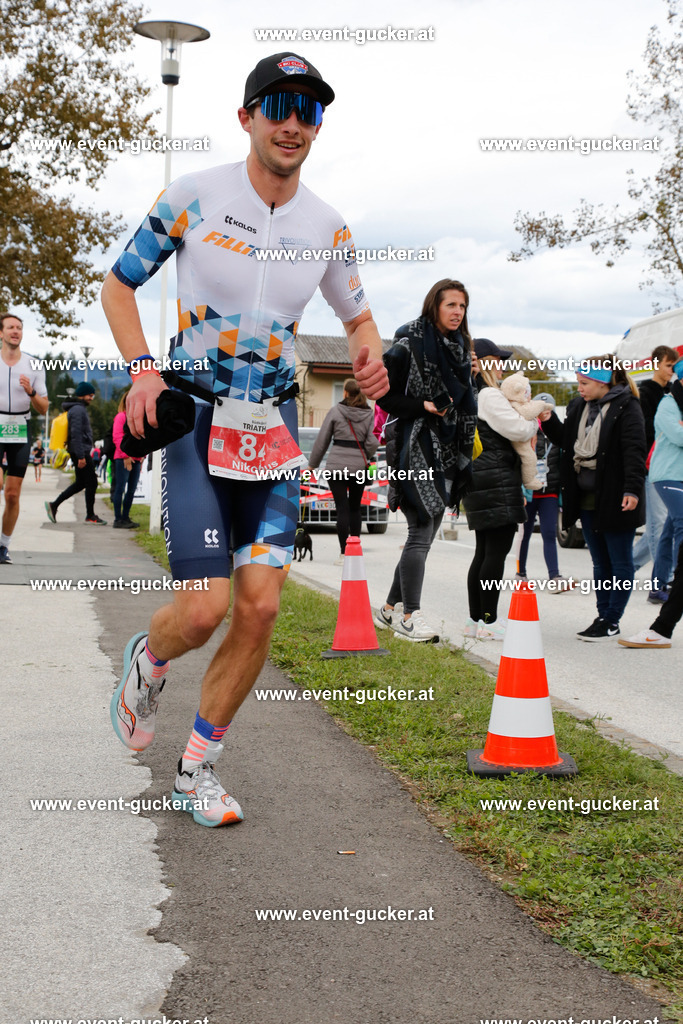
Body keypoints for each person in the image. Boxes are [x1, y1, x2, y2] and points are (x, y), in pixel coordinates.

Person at [101, 52, 388, 827]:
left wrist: (366, 349)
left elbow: (357, 315)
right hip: (195, 420)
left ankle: (198, 770)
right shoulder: (194, 196)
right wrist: (141, 370)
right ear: (247, 117)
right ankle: (149, 659)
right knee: (202, 612)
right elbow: (119, 283)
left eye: (310, 109)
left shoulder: (326, 225)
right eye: (279, 105)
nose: (294, 121)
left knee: (259, 610)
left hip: (270, 436)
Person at [374, 279, 477, 642]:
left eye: (462, 307)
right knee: (420, 531)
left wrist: (469, 377)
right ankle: (409, 617)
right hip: (413, 447)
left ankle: (388, 611)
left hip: (447, 449)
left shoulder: (461, 349)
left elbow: (465, 401)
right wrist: (423, 405)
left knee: (427, 533)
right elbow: (385, 400)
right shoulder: (407, 345)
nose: (457, 312)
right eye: (451, 305)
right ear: (434, 306)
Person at [542, 356, 646, 641]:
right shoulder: (578, 406)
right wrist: (549, 421)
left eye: (584, 383)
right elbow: (566, 441)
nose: (579, 388)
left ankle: (612, 619)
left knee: (620, 562)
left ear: (602, 382)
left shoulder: (627, 406)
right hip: (585, 495)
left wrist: (632, 490)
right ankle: (602, 616)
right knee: (600, 562)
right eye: (578, 382)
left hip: (615, 495)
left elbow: (635, 451)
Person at [462, 340, 538, 640]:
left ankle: (475, 620)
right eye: (497, 360)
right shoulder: (489, 394)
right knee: (496, 552)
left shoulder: (470, 391)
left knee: (484, 551)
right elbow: (518, 429)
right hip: (496, 477)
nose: (502, 365)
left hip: (482, 476)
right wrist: (533, 425)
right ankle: (490, 622)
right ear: (482, 362)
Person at [307, 378, 378, 564]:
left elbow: (322, 440)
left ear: (345, 393)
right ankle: (355, 552)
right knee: (355, 508)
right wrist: (364, 453)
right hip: (359, 468)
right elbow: (372, 442)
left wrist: (312, 465)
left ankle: (343, 554)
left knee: (342, 508)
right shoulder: (369, 415)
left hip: (336, 466)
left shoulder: (335, 411)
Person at [0, 313, 49, 563]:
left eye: (19, 328)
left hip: (20, 426)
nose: (15, 331)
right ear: (1, 333)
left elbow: (44, 408)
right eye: (10, 327)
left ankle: (3, 545)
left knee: (12, 494)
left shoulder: (34, 365)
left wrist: (30, 391)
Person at [632, 344, 679, 602]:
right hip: (653, 466)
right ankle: (665, 579)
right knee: (659, 525)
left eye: (674, 366)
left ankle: (626, 569)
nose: (671, 371)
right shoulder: (646, 392)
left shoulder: (671, 391)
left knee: (660, 527)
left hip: (669, 465)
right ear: (655, 364)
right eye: (668, 365)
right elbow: (645, 431)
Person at [515, 392, 574, 591]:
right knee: (525, 533)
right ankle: (520, 573)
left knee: (550, 532)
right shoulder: (527, 429)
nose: (544, 413)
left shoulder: (557, 431)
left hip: (549, 490)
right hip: (530, 490)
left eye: (548, 409)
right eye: (541, 409)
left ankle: (554, 576)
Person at [45, 381, 107, 525]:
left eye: (93, 395)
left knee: (80, 483)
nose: (92, 398)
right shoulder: (78, 410)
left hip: (79, 450)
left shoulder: (76, 409)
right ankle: (90, 515)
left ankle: (54, 505)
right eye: (90, 395)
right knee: (92, 482)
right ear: (82, 395)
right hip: (81, 451)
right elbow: (76, 434)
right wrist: (81, 456)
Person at [111, 389, 143, 529]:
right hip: (123, 458)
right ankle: (118, 519)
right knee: (120, 488)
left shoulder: (139, 417)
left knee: (131, 490)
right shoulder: (121, 417)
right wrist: (126, 456)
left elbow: (143, 437)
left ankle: (125, 517)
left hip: (136, 458)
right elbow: (117, 437)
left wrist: (142, 455)